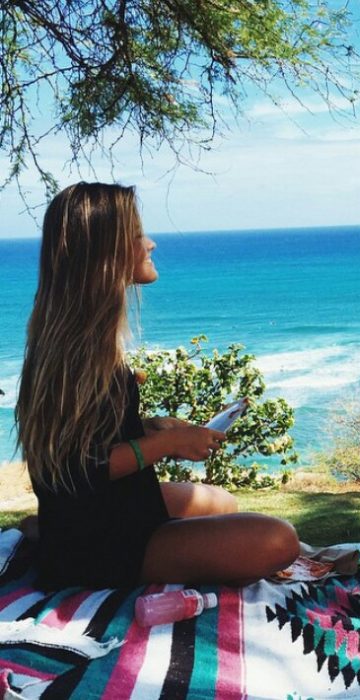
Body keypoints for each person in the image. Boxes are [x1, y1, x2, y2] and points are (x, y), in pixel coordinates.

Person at [16, 182, 299, 590]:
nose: (150, 243)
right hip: (102, 543)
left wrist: (150, 429)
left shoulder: (84, 337)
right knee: (277, 540)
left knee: (220, 503)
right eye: (136, 236)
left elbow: (91, 434)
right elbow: (76, 468)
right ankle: (58, 538)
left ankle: (52, 528)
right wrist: (167, 446)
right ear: (105, 256)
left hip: (114, 508)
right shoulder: (74, 350)